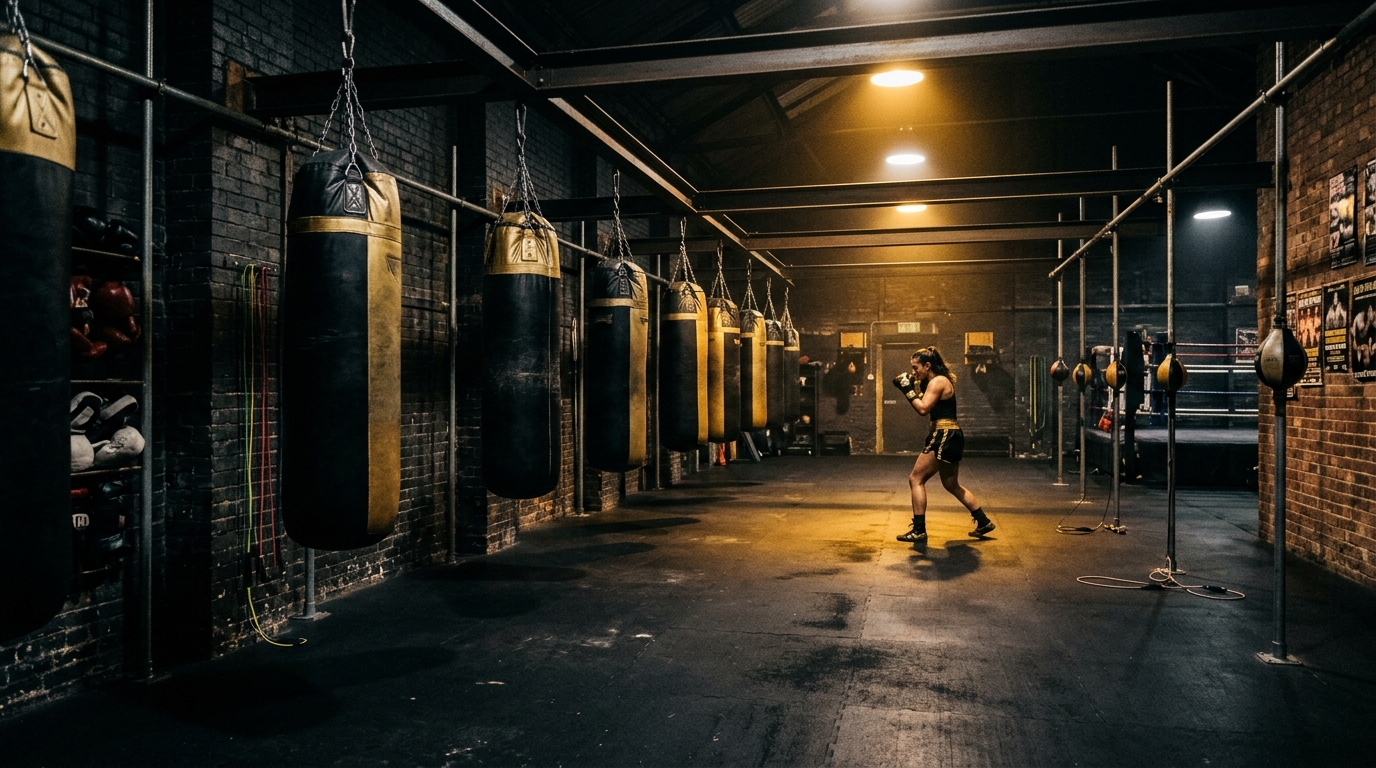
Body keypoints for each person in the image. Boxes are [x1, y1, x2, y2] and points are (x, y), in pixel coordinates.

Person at [891, 346, 995, 543]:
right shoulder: (935, 381)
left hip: (945, 434)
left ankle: (919, 530)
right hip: (949, 434)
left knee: (916, 479)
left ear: (927, 365)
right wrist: (912, 387)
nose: (913, 372)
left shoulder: (938, 381)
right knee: (950, 483)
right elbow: (929, 409)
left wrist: (906, 389)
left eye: (916, 368)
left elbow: (922, 409)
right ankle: (983, 521)